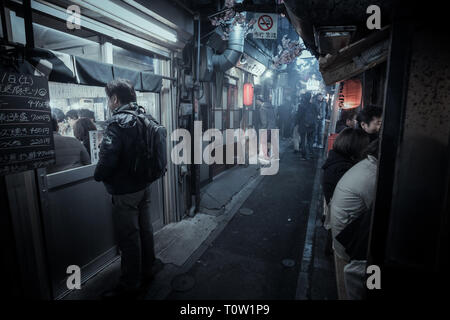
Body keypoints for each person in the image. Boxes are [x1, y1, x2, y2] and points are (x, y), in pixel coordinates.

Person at [94, 79, 157, 299]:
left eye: (108, 98)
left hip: (124, 190)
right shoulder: (144, 117)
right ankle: (149, 270)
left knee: (129, 238)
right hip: (144, 185)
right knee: (146, 230)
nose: (109, 103)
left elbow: (108, 159)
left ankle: (131, 283)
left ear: (114, 98)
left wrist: (98, 175)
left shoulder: (117, 123)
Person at [329, 139, 379, 299]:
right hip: (346, 245)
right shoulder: (373, 175)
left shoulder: (365, 165)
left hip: (340, 235)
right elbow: (377, 213)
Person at [296, 92, 317, 160]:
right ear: (310, 97)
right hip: (312, 125)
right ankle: (311, 154)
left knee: (303, 140)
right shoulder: (313, 105)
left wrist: (297, 123)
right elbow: (316, 114)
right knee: (310, 141)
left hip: (303, 125)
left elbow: (298, 116)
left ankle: (304, 156)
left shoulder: (301, 106)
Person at [258, 96, 277, 161]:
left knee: (264, 142)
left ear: (259, 101)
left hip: (267, 128)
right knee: (269, 141)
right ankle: (269, 154)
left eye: (256, 101)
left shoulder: (262, 109)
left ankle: (265, 156)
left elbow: (264, 122)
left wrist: (262, 129)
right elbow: (275, 117)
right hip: (273, 127)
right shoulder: (271, 107)